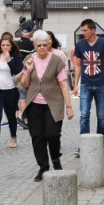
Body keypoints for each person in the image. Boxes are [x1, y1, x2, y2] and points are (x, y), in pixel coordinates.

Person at [20, 30, 74, 182]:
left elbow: (63, 85)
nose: (42, 48)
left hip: (53, 103)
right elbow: (24, 84)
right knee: (37, 136)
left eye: (45, 45)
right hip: (34, 104)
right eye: (39, 46)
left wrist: (69, 107)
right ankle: (43, 167)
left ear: (49, 44)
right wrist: (29, 70)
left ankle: (55, 159)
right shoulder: (29, 59)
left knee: (52, 134)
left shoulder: (56, 60)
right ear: (34, 45)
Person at [73, 19, 104, 157]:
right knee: (84, 115)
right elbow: (78, 65)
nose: (83, 33)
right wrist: (75, 85)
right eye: (82, 30)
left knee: (101, 116)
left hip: (101, 84)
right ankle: (85, 144)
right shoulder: (80, 44)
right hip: (85, 84)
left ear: (93, 30)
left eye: (85, 30)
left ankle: (100, 143)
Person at [16, 24, 35, 129]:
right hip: (28, 73)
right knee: (30, 98)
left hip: (18, 74)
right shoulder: (32, 45)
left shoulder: (17, 44)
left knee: (22, 98)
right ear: (30, 33)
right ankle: (30, 120)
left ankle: (24, 119)